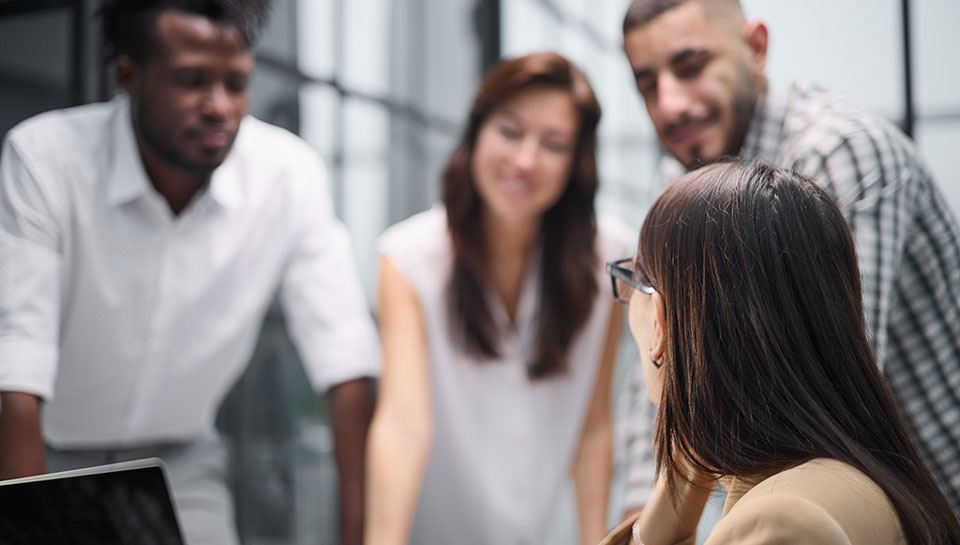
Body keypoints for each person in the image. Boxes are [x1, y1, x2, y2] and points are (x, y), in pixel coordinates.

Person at [0, 2, 379, 544]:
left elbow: (345, 364)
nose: (219, 107)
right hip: (47, 451)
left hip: (183, 462)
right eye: (191, 81)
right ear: (129, 76)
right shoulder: (45, 160)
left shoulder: (289, 178)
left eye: (237, 83)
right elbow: (16, 372)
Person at [618, 0, 960, 516]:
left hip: (936, 489)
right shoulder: (685, 172)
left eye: (690, 67)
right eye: (647, 83)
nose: (669, 105)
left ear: (756, 48)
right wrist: (641, 519)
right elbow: (659, 359)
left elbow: (817, 392)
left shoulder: (837, 151)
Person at [600, 161, 960, 545]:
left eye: (630, 281)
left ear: (659, 319)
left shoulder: (778, 523)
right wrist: (670, 501)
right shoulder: (857, 476)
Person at [364, 51, 631, 545]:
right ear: (476, 133)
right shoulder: (408, 258)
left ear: (577, 161)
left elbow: (594, 426)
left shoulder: (608, 259)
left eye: (553, 144)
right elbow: (403, 424)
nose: (525, 161)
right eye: (510, 132)